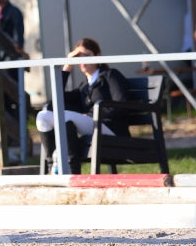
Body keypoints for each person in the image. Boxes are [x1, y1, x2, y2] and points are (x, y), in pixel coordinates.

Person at [35, 38, 130, 174]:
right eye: (78, 57)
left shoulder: (111, 75)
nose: (82, 60)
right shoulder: (84, 87)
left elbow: (122, 104)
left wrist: (93, 114)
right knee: (42, 117)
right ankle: (53, 168)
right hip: (92, 127)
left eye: (86, 55)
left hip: (111, 128)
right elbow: (57, 98)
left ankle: (72, 170)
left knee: (65, 117)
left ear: (97, 57)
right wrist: (68, 65)